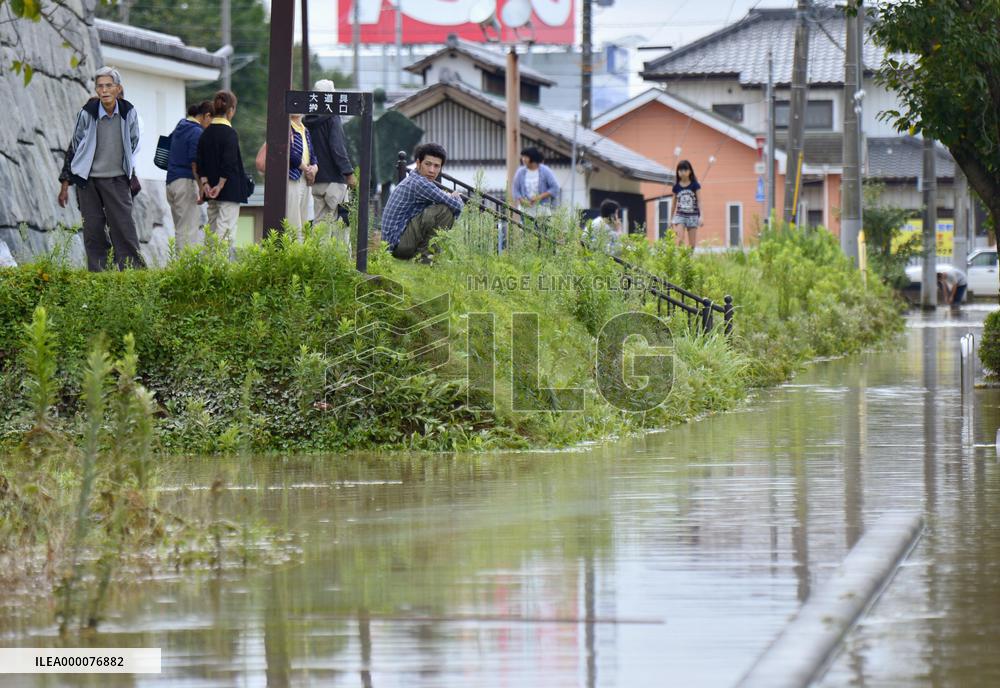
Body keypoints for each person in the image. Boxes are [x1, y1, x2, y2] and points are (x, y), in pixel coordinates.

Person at [57, 67, 145, 271]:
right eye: (100, 86)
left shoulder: (128, 111)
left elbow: (133, 140)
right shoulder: (86, 113)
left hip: (117, 178)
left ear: (118, 88)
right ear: (96, 89)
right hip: (88, 180)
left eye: (109, 86)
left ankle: (134, 273)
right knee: (93, 230)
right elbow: (77, 142)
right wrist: (77, 172)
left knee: (124, 228)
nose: (104, 90)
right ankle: (98, 275)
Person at [381, 143, 464, 262]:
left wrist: (449, 198)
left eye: (436, 166)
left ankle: (424, 256)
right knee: (444, 210)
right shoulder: (419, 183)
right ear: (418, 163)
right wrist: (456, 198)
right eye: (428, 164)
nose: (431, 170)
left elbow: (442, 198)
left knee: (439, 206)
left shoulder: (417, 180)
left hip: (395, 243)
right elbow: (457, 206)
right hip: (398, 245)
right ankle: (427, 259)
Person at [304, 79, 357, 252]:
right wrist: (348, 172)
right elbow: (337, 148)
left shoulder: (306, 120)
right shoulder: (332, 117)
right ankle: (343, 262)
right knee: (342, 221)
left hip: (316, 180)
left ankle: (319, 260)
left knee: (320, 224)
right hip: (335, 180)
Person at [196, 90, 249, 252]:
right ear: (231, 110)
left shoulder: (205, 133)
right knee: (225, 232)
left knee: (211, 231)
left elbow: (200, 161)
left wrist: (205, 184)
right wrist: (220, 185)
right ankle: (221, 270)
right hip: (228, 190)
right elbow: (229, 163)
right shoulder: (230, 134)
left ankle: (208, 269)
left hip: (210, 190)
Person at [255, 116, 318, 240]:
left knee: (304, 223)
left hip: (304, 180)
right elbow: (289, 152)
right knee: (294, 224)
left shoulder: (305, 130)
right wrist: (306, 168)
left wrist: (314, 167)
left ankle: (300, 253)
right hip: (291, 179)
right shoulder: (284, 127)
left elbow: (312, 153)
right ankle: (294, 255)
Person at [166, 101, 213, 252]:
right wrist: (201, 188)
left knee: (181, 228)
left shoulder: (180, 126)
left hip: (171, 182)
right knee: (188, 230)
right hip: (186, 183)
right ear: (206, 116)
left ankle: (180, 266)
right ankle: (184, 270)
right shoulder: (196, 132)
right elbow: (195, 163)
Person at [511, 146, 560, 223]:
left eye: (526, 157)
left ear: (533, 157)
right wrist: (522, 200)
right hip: (525, 211)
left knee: (542, 233)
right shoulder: (520, 172)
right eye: (522, 157)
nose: (523, 159)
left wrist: (538, 197)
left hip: (542, 211)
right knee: (526, 233)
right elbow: (515, 189)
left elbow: (555, 188)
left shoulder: (545, 171)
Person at [671, 159, 702, 249]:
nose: (683, 172)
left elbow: (700, 202)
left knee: (692, 245)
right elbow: (673, 204)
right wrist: (671, 218)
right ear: (677, 172)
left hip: (693, 216)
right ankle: (681, 260)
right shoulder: (676, 187)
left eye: (685, 170)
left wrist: (701, 216)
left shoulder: (695, 185)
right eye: (680, 170)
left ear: (690, 171)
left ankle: (688, 261)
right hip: (680, 216)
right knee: (680, 240)